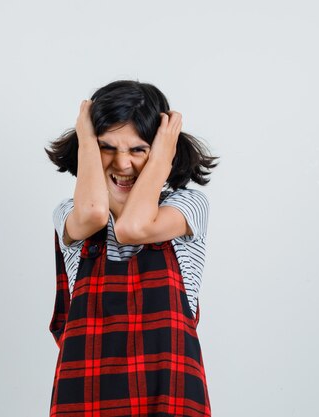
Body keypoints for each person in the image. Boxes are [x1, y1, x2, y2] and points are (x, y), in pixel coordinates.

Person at [44, 80, 219, 417]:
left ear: (161, 153)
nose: (122, 164)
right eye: (106, 147)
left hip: (169, 400)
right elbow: (95, 213)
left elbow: (132, 229)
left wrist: (164, 154)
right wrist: (85, 138)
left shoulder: (187, 206)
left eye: (138, 149)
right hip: (84, 401)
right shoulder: (71, 213)